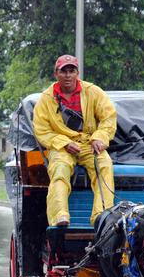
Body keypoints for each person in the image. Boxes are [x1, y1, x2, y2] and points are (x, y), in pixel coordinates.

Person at [33, 54, 117, 227]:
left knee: (105, 164)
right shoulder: (46, 99)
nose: (68, 75)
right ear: (56, 74)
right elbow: (41, 130)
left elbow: (108, 117)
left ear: (77, 73)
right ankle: (60, 216)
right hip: (62, 147)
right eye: (64, 71)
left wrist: (99, 138)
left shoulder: (93, 91)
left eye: (72, 71)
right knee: (59, 169)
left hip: (88, 144)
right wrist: (63, 143)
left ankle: (102, 216)